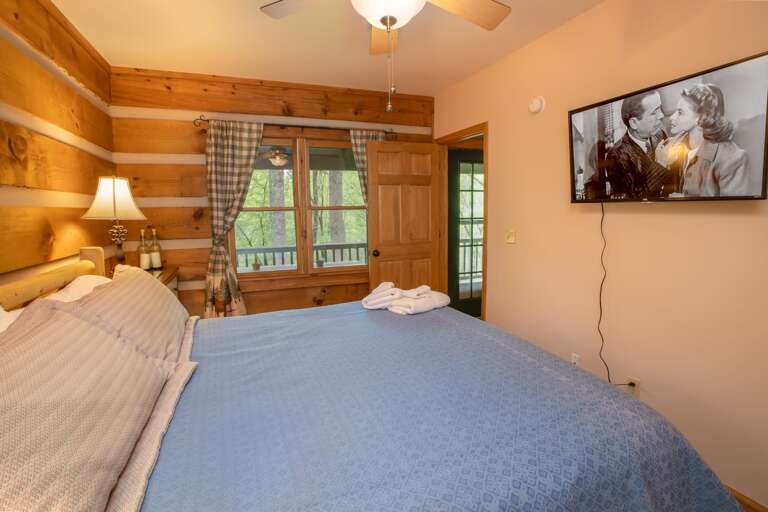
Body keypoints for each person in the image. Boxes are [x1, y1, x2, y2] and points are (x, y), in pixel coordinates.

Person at [656, 83, 749, 197]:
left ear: (700, 118)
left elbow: (733, 211)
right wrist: (661, 165)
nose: (672, 117)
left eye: (680, 112)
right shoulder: (670, 147)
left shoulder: (733, 159)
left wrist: (686, 203)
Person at [606, 90, 673, 199]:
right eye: (654, 112)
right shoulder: (616, 155)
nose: (661, 115)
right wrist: (660, 164)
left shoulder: (659, 134)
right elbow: (634, 198)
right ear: (634, 123)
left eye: (660, 108)